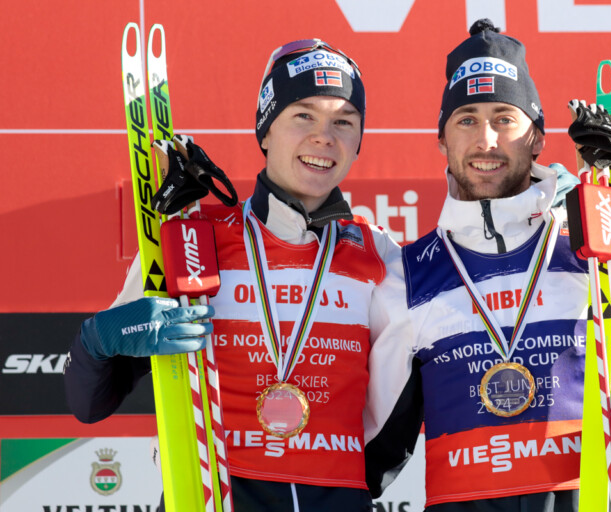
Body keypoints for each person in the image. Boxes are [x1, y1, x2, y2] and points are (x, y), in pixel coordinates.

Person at [364, 19, 611, 512]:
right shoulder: (409, 275)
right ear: (441, 140)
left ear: (538, 137)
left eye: (505, 118)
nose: (486, 139)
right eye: (466, 119)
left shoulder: (602, 241)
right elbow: (367, 457)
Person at [64, 38, 403, 511]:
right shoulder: (192, 239)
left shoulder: (378, 252)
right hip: (214, 493)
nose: (324, 136)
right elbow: (88, 403)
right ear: (265, 130)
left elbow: (407, 399)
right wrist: (98, 341)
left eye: (344, 122)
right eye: (303, 115)